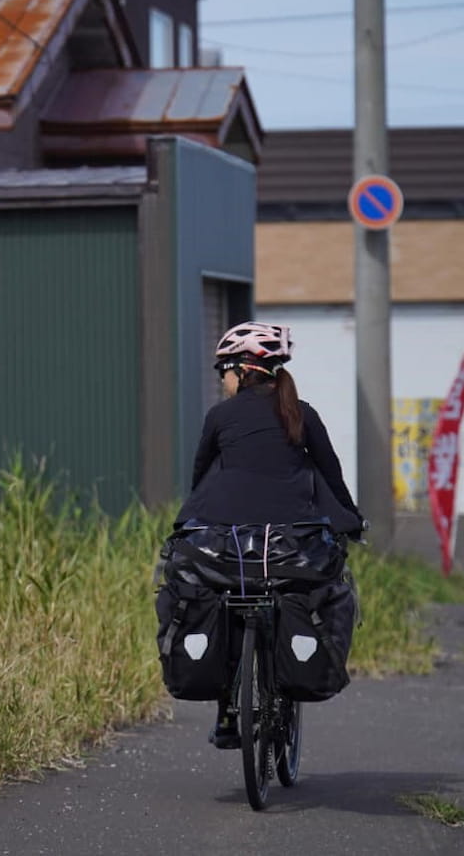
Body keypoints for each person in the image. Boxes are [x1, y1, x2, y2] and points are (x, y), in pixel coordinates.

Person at [174, 321, 365, 748]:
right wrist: (353, 520)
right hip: (293, 550)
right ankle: (285, 682)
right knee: (300, 595)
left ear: (242, 370)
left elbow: (201, 479)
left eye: (222, 370)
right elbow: (331, 474)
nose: (221, 380)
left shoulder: (220, 416)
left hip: (227, 550)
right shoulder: (302, 412)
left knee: (221, 604)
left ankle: (227, 709)